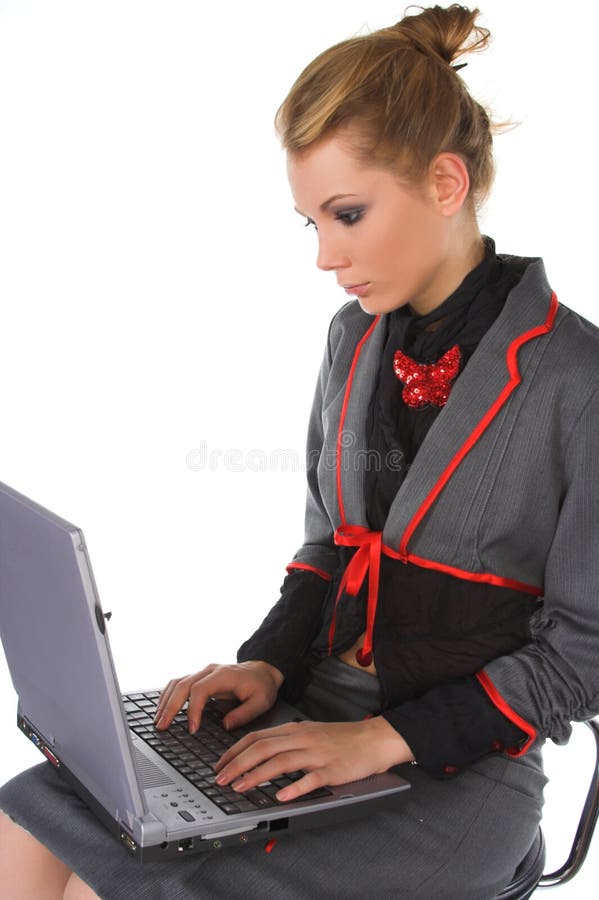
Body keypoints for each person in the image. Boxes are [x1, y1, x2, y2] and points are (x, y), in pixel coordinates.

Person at [1, 3, 599, 898]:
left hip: (457, 772)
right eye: (310, 223)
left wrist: (380, 739)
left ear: (445, 182)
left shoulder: (576, 380)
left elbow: (583, 655)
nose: (326, 256)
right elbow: (328, 547)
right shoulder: (350, 340)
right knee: (27, 815)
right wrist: (266, 664)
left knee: (116, 886)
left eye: (346, 214)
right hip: (311, 720)